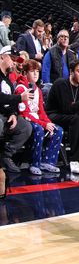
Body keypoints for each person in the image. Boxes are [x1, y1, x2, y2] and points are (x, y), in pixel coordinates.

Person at [14, 59, 62, 174]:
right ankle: (34, 163)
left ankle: (48, 162)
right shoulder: (21, 89)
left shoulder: (38, 90)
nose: (35, 74)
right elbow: (24, 113)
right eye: (32, 71)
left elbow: (41, 112)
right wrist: (44, 124)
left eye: (37, 71)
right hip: (25, 120)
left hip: (37, 119)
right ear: (25, 73)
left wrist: (48, 123)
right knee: (39, 129)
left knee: (58, 130)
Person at [0, 46, 34, 174]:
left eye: (16, 60)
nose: (14, 63)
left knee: (25, 127)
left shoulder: (8, 79)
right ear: (2, 57)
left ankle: (6, 155)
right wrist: (20, 97)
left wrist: (13, 114)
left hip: (6, 115)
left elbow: (11, 100)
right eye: (12, 59)